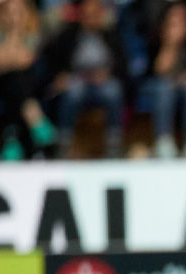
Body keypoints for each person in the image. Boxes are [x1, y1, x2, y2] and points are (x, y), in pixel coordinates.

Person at [44, 0, 131, 159]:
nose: (90, 18)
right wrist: (62, 76)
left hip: (103, 83)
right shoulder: (69, 35)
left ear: (101, 14)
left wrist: (108, 73)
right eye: (87, 14)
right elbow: (54, 63)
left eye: (94, 14)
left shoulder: (111, 34)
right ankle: (64, 143)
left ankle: (114, 143)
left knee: (113, 89)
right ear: (80, 15)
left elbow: (124, 66)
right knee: (73, 89)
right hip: (76, 81)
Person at [0, 0, 56, 160]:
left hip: (30, 82)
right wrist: (13, 32)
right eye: (10, 12)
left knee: (16, 79)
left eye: (18, 11)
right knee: (13, 79)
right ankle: (35, 118)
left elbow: (26, 60)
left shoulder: (36, 29)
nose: (14, 16)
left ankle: (11, 137)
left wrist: (13, 44)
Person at [145, 1, 186, 158]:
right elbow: (158, 70)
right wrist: (171, 44)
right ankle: (163, 141)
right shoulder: (155, 38)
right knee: (163, 88)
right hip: (161, 84)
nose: (178, 22)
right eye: (174, 18)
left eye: (182, 18)